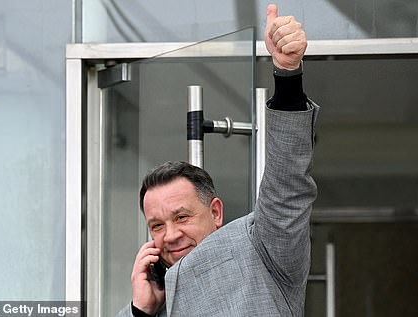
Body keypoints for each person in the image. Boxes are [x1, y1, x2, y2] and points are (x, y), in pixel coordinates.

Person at [117, 4, 319, 316]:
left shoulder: (260, 247)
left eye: (182, 217)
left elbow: (287, 185)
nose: (170, 235)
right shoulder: (150, 302)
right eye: (157, 225)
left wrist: (288, 75)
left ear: (215, 212)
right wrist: (141, 311)